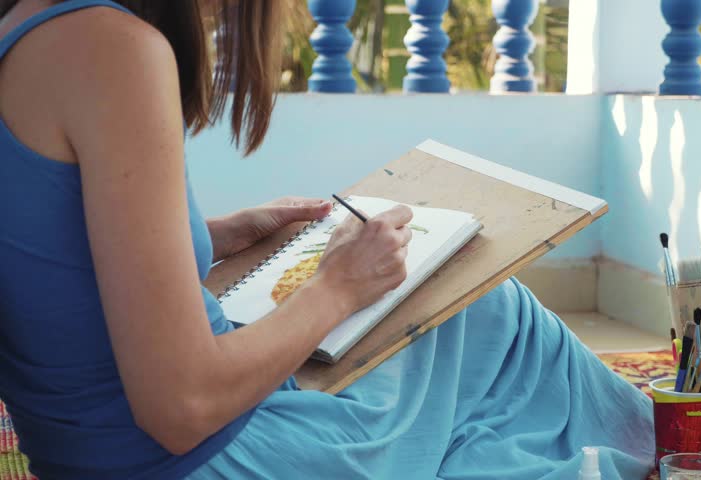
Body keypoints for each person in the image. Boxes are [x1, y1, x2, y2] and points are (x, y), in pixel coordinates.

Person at [0, 1, 655, 478]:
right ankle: (659, 449)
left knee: (475, 311)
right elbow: (183, 406)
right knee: (494, 309)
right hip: (200, 461)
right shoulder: (112, 48)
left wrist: (213, 236)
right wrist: (338, 285)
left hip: (86, 451)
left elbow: (53, 255)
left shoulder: (30, 30)